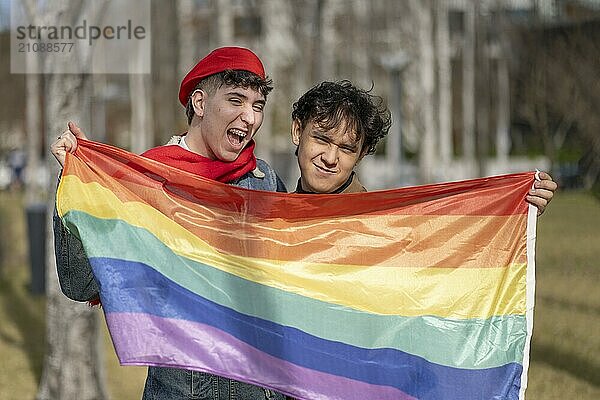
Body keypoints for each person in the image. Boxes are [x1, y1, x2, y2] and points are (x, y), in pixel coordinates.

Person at [51, 47, 287, 400]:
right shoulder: (147, 182)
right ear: (200, 103)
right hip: (181, 391)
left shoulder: (264, 181)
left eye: (257, 106)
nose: (249, 117)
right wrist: (80, 189)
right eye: (236, 100)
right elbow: (80, 283)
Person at [289, 80, 556, 214]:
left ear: (360, 155)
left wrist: (516, 206)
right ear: (298, 131)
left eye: (347, 149)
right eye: (322, 139)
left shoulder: (380, 222)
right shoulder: (271, 215)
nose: (331, 157)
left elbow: (457, 243)